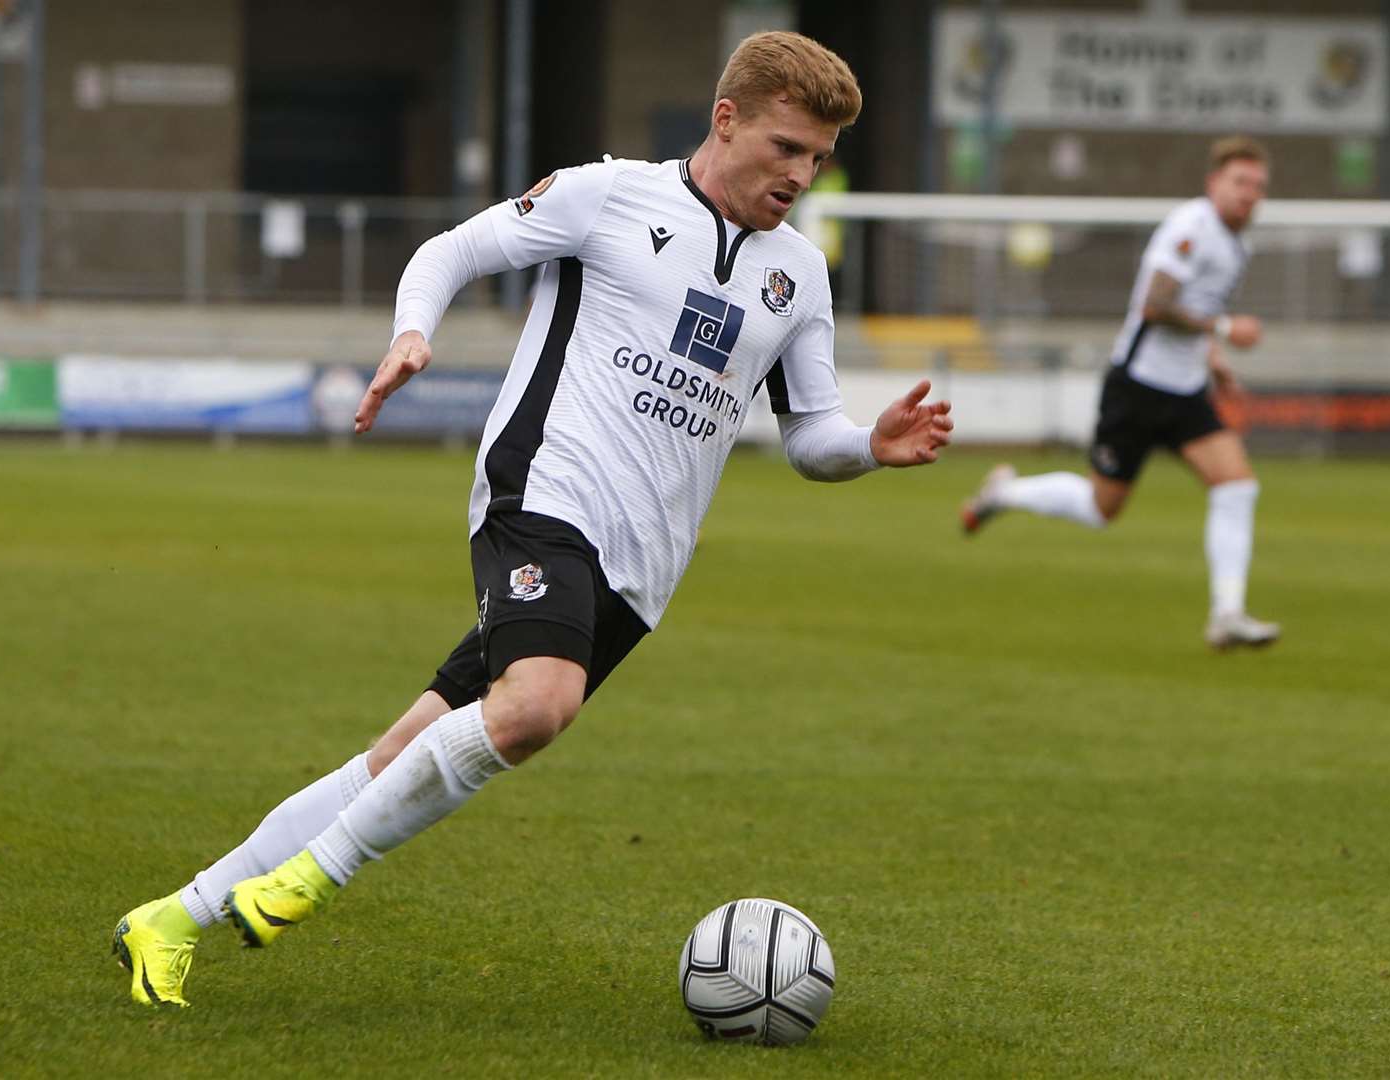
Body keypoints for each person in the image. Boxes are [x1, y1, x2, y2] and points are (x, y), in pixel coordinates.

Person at [112, 31, 954, 1008]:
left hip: (639, 573)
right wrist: (413, 332)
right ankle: (309, 879)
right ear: (726, 120)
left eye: (818, 158)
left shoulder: (797, 277)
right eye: (785, 147)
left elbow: (809, 435)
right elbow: (452, 249)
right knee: (539, 706)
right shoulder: (610, 195)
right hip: (543, 495)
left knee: (404, 753)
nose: (801, 174)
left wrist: (869, 445)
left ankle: (175, 916)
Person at [960, 136, 1278, 651]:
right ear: (1213, 184)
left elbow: (1196, 307)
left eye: (1258, 186)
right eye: (1240, 182)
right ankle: (1004, 493)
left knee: (1237, 486)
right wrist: (1223, 330)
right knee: (1099, 508)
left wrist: (1214, 361)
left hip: (1186, 392)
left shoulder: (1240, 242)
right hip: (1138, 387)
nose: (1249, 194)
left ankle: (1227, 614)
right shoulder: (1190, 228)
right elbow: (1155, 305)